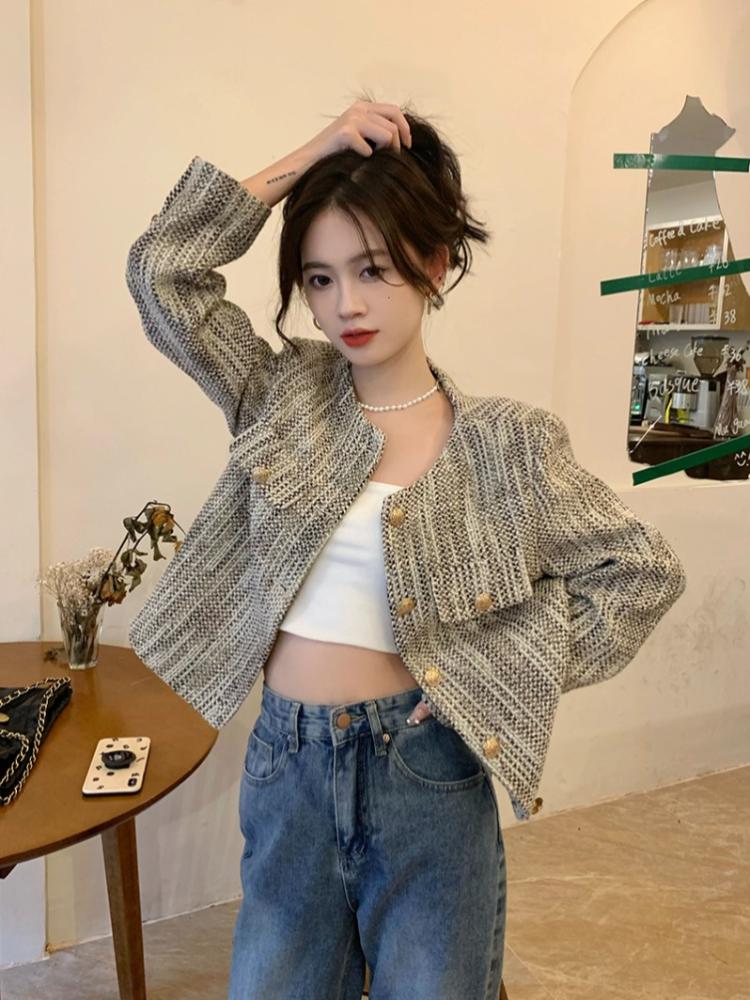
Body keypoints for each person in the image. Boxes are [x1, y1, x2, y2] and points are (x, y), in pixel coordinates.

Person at [125, 93, 687, 1000]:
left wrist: (505, 666)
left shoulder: (507, 443)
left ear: (434, 262)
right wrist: (314, 152)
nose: (345, 304)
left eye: (374, 269)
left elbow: (640, 572)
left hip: (427, 773)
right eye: (319, 279)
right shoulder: (280, 397)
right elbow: (163, 272)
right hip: (287, 764)